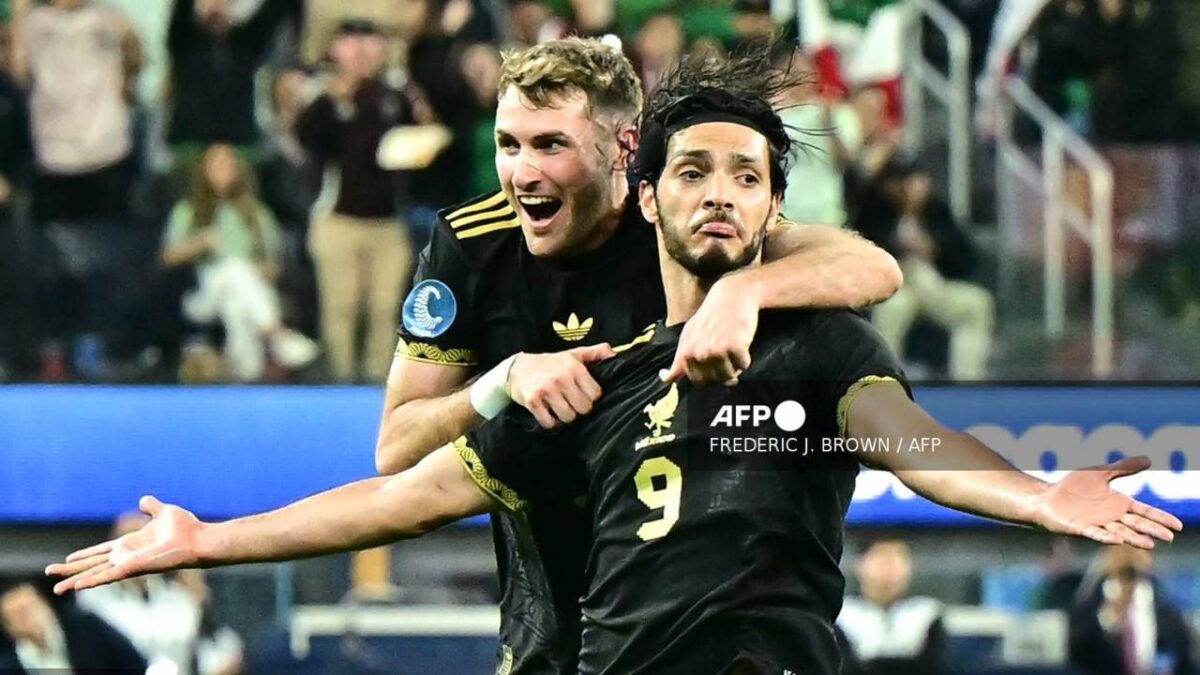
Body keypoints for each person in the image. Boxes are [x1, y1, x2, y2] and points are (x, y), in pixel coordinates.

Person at [47, 50, 1183, 675]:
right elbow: (395, 494)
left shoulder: (821, 346)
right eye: (697, 174)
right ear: (650, 195)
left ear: (778, 210)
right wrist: (207, 539)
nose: (722, 193)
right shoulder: (582, 374)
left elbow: (917, 448)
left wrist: (1034, 495)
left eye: (748, 177)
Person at [375, 36, 902, 673]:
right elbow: (396, 450)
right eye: (507, 144)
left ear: (625, 150)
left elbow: (872, 267)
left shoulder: (679, 220)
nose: (521, 172)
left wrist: (745, 290)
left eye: (550, 145)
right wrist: (503, 380)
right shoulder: (473, 244)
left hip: (690, 601)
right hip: (545, 601)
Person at [295, 19, 420, 383]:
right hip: (337, 219)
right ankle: (339, 382)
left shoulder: (395, 95)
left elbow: (421, 142)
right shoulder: (323, 96)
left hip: (388, 221)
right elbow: (307, 139)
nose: (361, 51)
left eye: (370, 42)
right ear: (335, 50)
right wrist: (335, 99)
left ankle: (379, 385)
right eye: (351, 43)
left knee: (385, 308)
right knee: (341, 307)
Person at [161, 143, 318, 381]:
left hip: (248, 289)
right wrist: (199, 242)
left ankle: (246, 371)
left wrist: (260, 270)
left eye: (228, 166)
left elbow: (273, 266)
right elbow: (168, 257)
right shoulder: (187, 211)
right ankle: (278, 337)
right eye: (216, 166)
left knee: (236, 300)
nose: (222, 171)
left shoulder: (257, 214)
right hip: (203, 294)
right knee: (233, 269)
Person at [1069, 545, 1196, 675]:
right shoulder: (1087, 610)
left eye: (1138, 547)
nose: (1130, 554)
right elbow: (1077, 657)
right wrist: (1109, 618)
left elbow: (1184, 663)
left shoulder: (1170, 615)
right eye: (1124, 547)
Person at [838, 540, 947, 675]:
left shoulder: (927, 613)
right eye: (881, 559)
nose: (889, 569)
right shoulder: (841, 614)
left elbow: (936, 665)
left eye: (897, 559)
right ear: (860, 565)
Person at [0, 581, 146, 673]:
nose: (28, 618)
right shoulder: (8, 664)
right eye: (18, 615)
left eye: (30, 609)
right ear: (8, 627)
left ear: (47, 607)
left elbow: (133, 662)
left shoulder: (87, 628)